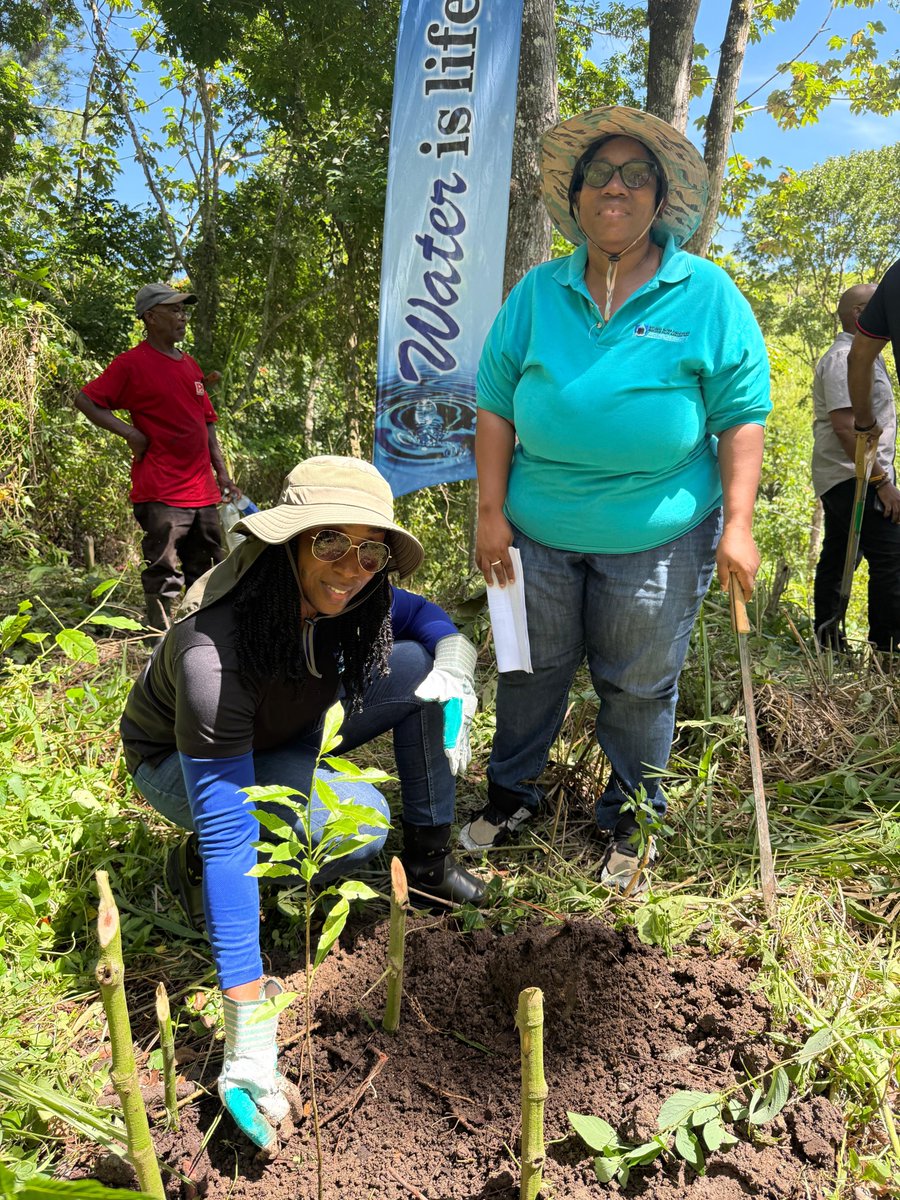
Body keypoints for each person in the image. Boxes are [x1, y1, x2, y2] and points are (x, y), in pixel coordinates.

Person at [120, 455, 485, 1151]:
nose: (353, 566)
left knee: (417, 670)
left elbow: (421, 615)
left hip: (280, 734)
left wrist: (456, 659)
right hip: (175, 758)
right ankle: (193, 865)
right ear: (288, 540)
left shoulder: (355, 594)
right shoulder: (213, 652)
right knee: (355, 828)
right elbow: (233, 837)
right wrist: (249, 1035)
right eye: (330, 542)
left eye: (371, 549)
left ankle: (432, 860)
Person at [460, 105, 771, 893]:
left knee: (638, 684)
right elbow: (495, 402)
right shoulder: (537, 292)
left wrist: (739, 524)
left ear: (660, 198)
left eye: (636, 175)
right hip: (536, 528)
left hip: (660, 535)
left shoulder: (706, 293)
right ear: (576, 194)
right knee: (529, 671)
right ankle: (511, 799)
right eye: (600, 173)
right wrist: (489, 513)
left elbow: (741, 415)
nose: (616, 187)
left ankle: (632, 818)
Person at [75, 281, 239, 636]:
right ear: (150, 317)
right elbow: (87, 400)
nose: (182, 317)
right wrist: (131, 434)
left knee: (211, 564)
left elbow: (207, 424)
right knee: (163, 567)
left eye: (184, 310)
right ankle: (160, 638)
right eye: (174, 310)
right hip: (162, 490)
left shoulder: (190, 365)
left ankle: (207, 636)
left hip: (203, 491)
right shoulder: (131, 364)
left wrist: (222, 474)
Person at [812, 284, 900, 650]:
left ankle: (829, 646)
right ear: (861, 314)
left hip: (855, 476)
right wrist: (881, 482)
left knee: (839, 554)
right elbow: (847, 427)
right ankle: (888, 652)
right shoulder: (843, 359)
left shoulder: (868, 355)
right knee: (892, 556)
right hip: (854, 477)